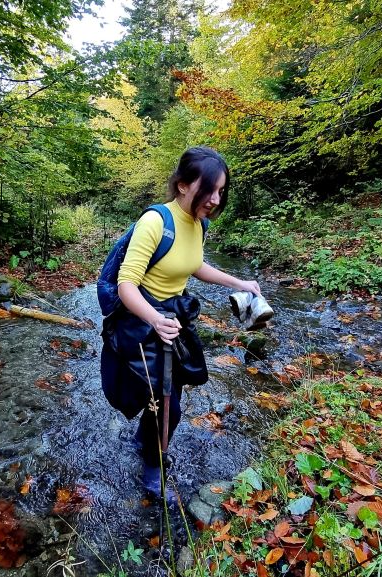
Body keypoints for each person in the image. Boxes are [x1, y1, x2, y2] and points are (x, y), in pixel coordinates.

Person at [100, 146, 262, 502]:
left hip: (173, 318)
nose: (216, 199)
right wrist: (156, 319)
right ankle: (148, 453)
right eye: (210, 190)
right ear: (184, 185)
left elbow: (195, 265)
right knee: (147, 395)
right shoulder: (157, 222)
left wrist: (240, 283)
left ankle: (151, 461)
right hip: (142, 320)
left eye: (221, 191)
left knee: (170, 401)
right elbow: (127, 284)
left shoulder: (198, 224)